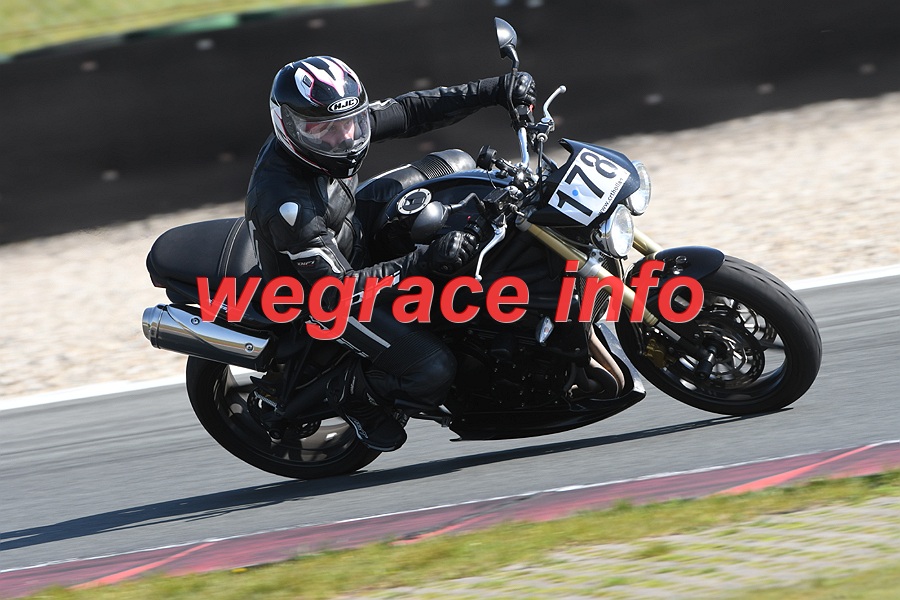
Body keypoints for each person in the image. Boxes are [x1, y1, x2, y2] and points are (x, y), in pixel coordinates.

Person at [245, 55, 535, 452]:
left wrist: (493, 90)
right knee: (431, 369)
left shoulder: (335, 125)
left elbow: (410, 110)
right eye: (324, 130)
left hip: (349, 230)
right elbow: (337, 290)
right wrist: (424, 260)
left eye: (350, 122)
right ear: (288, 126)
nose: (344, 137)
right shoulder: (286, 204)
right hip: (320, 298)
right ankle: (352, 395)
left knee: (456, 166)